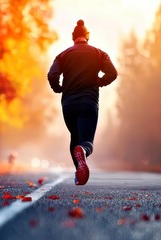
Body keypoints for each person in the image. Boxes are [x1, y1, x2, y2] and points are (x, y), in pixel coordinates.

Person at [47, 19, 117, 185]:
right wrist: (100, 81)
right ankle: (83, 152)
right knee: (86, 143)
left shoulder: (63, 55)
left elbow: (52, 75)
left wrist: (58, 88)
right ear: (88, 37)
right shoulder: (99, 53)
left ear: (73, 37)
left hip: (68, 105)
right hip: (88, 103)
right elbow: (112, 73)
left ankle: (79, 174)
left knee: (75, 137)